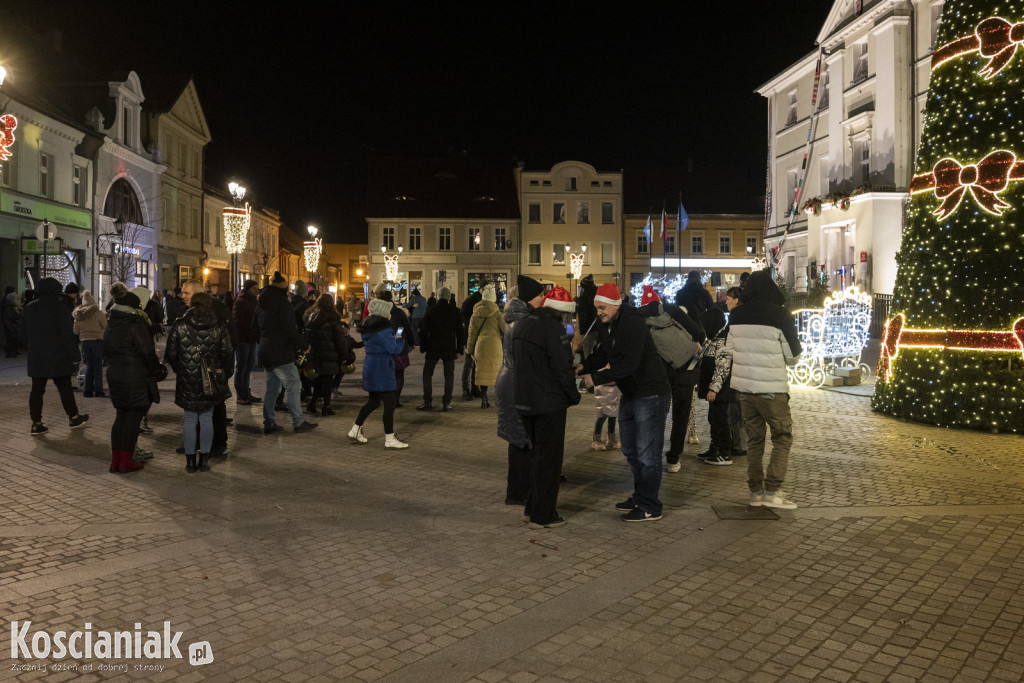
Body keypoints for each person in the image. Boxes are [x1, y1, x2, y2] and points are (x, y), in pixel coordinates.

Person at [581, 283, 670, 522]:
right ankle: (640, 496)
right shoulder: (607, 324)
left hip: (650, 393)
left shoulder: (633, 322)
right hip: (631, 393)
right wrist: (584, 366)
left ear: (615, 304)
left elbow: (629, 363)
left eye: (602, 308)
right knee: (631, 450)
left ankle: (650, 505)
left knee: (647, 453)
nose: (598, 312)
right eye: (596, 308)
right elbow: (603, 354)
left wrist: (596, 378)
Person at [723, 269, 801, 510]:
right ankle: (772, 490)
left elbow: (730, 349)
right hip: (771, 389)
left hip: (745, 389)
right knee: (782, 436)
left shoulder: (735, 316)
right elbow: (793, 356)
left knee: (754, 439)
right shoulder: (780, 315)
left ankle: (756, 491)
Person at [512, 286, 580, 529]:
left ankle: (532, 509)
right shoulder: (554, 330)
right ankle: (544, 515)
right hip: (548, 404)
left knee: (537, 458)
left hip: (524, 400)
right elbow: (562, 369)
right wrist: (574, 396)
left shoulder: (523, 324)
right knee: (549, 461)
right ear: (562, 313)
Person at [637, 285, 705, 473]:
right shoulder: (672, 310)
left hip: (659, 372)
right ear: (658, 301)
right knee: (680, 414)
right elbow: (698, 332)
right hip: (685, 369)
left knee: (657, 415)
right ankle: (673, 458)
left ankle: (652, 456)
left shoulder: (640, 319)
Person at [165, 292, 233, 473]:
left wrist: (181, 368)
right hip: (210, 377)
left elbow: (170, 353)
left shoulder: (180, 324)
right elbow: (227, 352)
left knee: (189, 418)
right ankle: (203, 460)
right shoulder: (218, 325)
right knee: (206, 418)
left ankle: (189, 462)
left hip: (187, 376)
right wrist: (224, 374)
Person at [496, 276, 545, 505]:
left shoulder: (519, 317)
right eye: (540, 296)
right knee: (520, 441)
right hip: (516, 382)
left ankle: (519, 490)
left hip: (513, 380)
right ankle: (517, 494)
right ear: (528, 299)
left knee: (520, 439)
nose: (543, 299)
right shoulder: (522, 321)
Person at [104, 289, 164, 473]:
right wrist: (158, 370)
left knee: (121, 417)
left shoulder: (112, 323)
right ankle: (127, 461)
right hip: (135, 377)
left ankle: (116, 461)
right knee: (133, 418)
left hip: (115, 375)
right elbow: (147, 351)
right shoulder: (134, 322)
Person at [21, 277, 89, 435]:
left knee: (37, 390)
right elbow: (66, 335)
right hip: (58, 356)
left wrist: (32, 348)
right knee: (65, 387)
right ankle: (74, 417)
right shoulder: (60, 307)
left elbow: (23, 335)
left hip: (37, 356)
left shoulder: (29, 308)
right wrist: (75, 355)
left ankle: (36, 423)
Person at [259, 272, 318, 434]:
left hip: (266, 350)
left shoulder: (262, 302)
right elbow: (289, 329)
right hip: (280, 352)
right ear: (284, 289)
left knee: (272, 388)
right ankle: (298, 421)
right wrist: (304, 345)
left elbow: (254, 327)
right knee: (294, 385)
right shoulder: (283, 304)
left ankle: (269, 422)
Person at [348, 298, 408, 448]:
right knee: (390, 404)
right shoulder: (383, 329)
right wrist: (400, 337)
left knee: (373, 401)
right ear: (383, 313)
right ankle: (389, 438)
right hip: (382, 368)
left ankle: (355, 429)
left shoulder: (369, 327)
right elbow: (394, 349)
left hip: (371, 366)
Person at [697, 307, 736, 466]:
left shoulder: (723, 340)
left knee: (720, 419)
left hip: (721, 390)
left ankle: (725, 452)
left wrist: (714, 388)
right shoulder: (714, 338)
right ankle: (715, 447)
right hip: (714, 389)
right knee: (713, 418)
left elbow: (723, 367)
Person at [416, 286, 464, 411]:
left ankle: (428, 401)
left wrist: (423, 347)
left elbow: (423, 331)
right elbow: (460, 332)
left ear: (437, 296)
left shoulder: (431, 310)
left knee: (427, 374)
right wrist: (459, 350)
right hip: (449, 347)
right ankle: (446, 402)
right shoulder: (454, 311)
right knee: (449, 375)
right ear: (449, 297)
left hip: (433, 346)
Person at [305, 293, 351, 416]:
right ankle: (326, 406)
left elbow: (307, 336)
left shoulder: (312, 317)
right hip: (330, 354)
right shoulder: (333, 318)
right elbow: (339, 340)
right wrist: (344, 356)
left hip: (316, 353)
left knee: (320, 379)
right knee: (328, 380)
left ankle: (313, 404)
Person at [466, 284, 506, 409]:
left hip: (481, 346)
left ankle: (484, 399)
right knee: (497, 373)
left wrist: (469, 349)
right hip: (495, 345)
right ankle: (498, 400)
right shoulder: (497, 313)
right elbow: (505, 329)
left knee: (482, 373)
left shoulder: (476, 313)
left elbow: (471, 334)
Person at [724, 287, 746, 457]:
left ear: (736, 300)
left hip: (736, 366)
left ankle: (738, 444)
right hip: (744, 366)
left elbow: (730, 344)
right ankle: (741, 443)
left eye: (728, 299)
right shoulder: (745, 314)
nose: (726, 302)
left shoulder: (735, 316)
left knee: (736, 407)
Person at [233, 279, 262, 404]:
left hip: (251, 339)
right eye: (254, 288)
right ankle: (241, 395)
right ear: (248, 289)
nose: (256, 291)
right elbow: (237, 321)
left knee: (248, 367)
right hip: (243, 339)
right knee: (241, 367)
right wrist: (251, 328)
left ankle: (246, 392)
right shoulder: (241, 301)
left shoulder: (254, 301)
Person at [73, 290, 107, 397]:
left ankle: (87, 390)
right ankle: (98, 390)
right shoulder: (98, 312)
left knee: (88, 365)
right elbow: (105, 325)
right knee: (97, 366)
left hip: (84, 342)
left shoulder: (79, 314)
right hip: (97, 340)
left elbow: (75, 331)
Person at [460, 289, 483, 399]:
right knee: (470, 363)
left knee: (473, 363)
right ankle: (468, 388)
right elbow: (463, 314)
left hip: (472, 336)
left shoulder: (475, 300)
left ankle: (472, 388)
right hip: (470, 336)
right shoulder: (474, 300)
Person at [592, 366, 621, 450]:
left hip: (613, 396)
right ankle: (596, 440)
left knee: (612, 417)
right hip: (603, 396)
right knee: (601, 417)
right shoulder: (602, 367)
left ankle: (611, 439)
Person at [2, 288, 21, 357]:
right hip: (10, 326)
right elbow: (13, 317)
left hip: (11, 325)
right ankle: (11, 353)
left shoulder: (10, 306)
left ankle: (13, 352)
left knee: (12, 339)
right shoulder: (9, 308)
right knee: (11, 339)